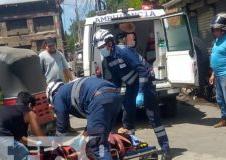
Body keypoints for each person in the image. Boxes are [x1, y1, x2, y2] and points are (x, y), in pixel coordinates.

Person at [93, 29, 171, 160]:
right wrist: (113, 95)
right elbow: (117, 80)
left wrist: (140, 93)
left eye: (102, 46)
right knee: (127, 116)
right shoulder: (108, 60)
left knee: (152, 116)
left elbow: (142, 71)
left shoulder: (124, 51)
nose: (102, 50)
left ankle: (165, 148)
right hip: (131, 85)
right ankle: (134, 147)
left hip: (145, 81)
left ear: (110, 43)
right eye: (99, 48)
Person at [46, 77, 122, 159]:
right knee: (102, 141)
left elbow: (62, 125)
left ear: (51, 94)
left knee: (97, 145)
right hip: (115, 95)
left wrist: (55, 142)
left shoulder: (58, 96)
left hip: (100, 98)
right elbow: (93, 120)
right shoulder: (69, 90)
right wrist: (81, 139)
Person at [0, 91, 45, 160]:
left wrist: (36, 143)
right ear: (30, 105)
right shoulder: (29, 113)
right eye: (34, 107)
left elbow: (20, 139)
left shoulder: (10, 111)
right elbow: (41, 137)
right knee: (23, 155)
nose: (34, 109)